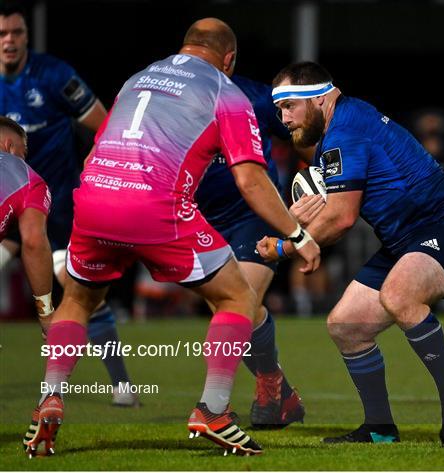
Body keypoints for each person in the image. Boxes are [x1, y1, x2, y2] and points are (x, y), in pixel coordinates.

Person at [23, 18, 319, 457]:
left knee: (79, 301)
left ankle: (49, 399)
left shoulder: (138, 78)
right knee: (237, 298)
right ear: (229, 60)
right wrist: (298, 234)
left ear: (184, 48)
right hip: (156, 206)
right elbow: (252, 181)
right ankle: (214, 410)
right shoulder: (225, 91)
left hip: (94, 198)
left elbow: (98, 143)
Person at [258, 61, 444, 445]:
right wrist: (301, 225)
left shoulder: (344, 133)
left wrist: (283, 245)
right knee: (346, 326)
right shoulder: (343, 125)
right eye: (280, 110)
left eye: (291, 106)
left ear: (321, 97)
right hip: (403, 242)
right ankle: (379, 428)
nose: (285, 119)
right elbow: (332, 212)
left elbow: (341, 220)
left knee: (400, 295)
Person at [0, 3, 137, 406]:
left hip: (55, 210)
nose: (9, 41)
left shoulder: (55, 76)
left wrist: (105, 168)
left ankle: (121, 385)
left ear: (27, 37)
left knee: (79, 290)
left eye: (17, 33)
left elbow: (106, 125)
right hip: (8, 209)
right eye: (2, 34)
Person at [195, 73, 305, 429]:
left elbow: (301, 135)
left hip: (253, 214)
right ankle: (280, 390)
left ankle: (219, 404)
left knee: (239, 302)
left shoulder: (257, 99)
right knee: (230, 308)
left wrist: (320, 176)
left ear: (227, 61)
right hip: (199, 220)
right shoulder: (171, 100)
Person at [0, 116, 53, 327]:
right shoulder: (28, 178)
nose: (25, 158)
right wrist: (46, 314)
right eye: (25, 152)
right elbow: (34, 242)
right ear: (10, 146)